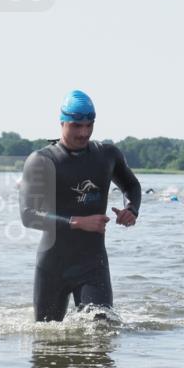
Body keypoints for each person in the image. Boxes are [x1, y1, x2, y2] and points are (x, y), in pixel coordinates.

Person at [20, 90, 142, 322]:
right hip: (53, 266)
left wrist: (132, 210)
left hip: (93, 265)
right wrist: (77, 222)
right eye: (76, 126)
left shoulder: (106, 155)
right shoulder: (42, 160)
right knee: (46, 342)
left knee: (102, 331)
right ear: (62, 122)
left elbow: (131, 185)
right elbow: (28, 215)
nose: (84, 132)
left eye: (89, 125)